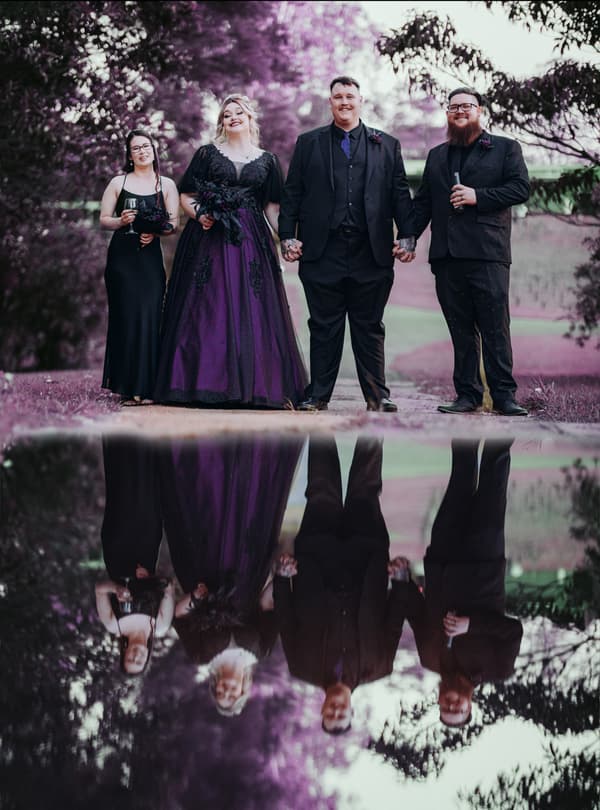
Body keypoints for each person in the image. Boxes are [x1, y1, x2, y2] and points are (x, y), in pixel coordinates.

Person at [154, 95, 307, 407]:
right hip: (209, 237)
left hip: (251, 239)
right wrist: (201, 214)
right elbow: (187, 195)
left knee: (251, 305)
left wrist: (286, 239)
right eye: (227, 114)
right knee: (208, 305)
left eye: (239, 112)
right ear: (222, 122)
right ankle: (200, 382)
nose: (233, 117)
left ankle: (254, 387)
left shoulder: (268, 161)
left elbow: (272, 207)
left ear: (250, 118)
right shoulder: (207, 154)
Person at [278, 76, 416, 413]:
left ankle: (377, 396)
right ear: (330, 102)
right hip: (322, 250)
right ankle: (317, 395)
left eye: (349, 96)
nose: (344, 102)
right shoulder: (308, 143)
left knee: (369, 325)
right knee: (323, 326)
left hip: (371, 250)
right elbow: (293, 193)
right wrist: (287, 235)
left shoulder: (387, 144)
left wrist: (407, 235)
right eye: (338, 97)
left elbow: (399, 193)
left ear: (360, 101)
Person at [274, 436, 407, 734]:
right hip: (367, 558)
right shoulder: (381, 667)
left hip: (317, 558)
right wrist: (400, 581)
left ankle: (321, 422)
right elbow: (394, 622)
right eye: (342, 715)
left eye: (330, 714)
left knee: (321, 489)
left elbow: (285, 619)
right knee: (366, 488)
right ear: (351, 711)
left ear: (321, 710)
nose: (336, 710)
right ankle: (375, 419)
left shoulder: (301, 668)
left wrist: (282, 577)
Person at [160, 436, 303, 715]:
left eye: (221, 693)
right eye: (232, 694)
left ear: (215, 687)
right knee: (246, 509)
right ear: (242, 690)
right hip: (247, 571)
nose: (226, 690)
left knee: (208, 512)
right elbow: (268, 606)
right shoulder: (261, 652)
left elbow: (179, 616)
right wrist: (281, 575)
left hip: (202, 570)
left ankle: (206, 455)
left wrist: (195, 597)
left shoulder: (199, 655)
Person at [413, 87, 530, 416]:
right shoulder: (437, 155)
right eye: (453, 107)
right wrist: (408, 237)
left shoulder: (505, 148)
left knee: (495, 327)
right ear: (448, 114)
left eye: (467, 106)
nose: (460, 111)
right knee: (460, 330)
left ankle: (504, 397)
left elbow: (520, 187)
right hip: (447, 257)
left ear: (480, 111)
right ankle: (467, 395)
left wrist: (478, 196)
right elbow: (423, 203)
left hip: (488, 254)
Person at [393, 439, 523, 726]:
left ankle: (468, 422)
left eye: (445, 708)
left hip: (442, 557)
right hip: (483, 561)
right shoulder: (498, 669)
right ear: (470, 705)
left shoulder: (429, 660)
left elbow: (417, 614)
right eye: (458, 709)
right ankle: (504, 423)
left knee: (461, 476)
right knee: (494, 478)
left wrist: (401, 579)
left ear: (438, 701)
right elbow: (513, 631)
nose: (451, 704)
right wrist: (470, 625)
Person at [100, 129, 179, 405]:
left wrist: (156, 232)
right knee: (125, 317)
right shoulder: (118, 182)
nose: (142, 151)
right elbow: (103, 219)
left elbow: (173, 224)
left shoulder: (166, 184)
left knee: (150, 316)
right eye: (136, 148)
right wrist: (120, 221)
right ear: (129, 155)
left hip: (149, 259)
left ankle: (147, 388)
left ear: (153, 151)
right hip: (122, 259)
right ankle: (126, 386)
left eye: (146, 146)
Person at [96, 436, 175, 675]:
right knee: (149, 498)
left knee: (122, 490)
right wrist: (149, 580)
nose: (136, 656)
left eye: (130, 659)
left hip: (117, 552)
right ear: (146, 659)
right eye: (139, 661)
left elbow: (99, 589)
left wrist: (117, 589)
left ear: (124, 652)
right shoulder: (159, 626)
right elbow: (169, 588)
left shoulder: (114, 625)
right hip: (145, 554)